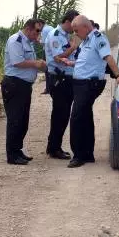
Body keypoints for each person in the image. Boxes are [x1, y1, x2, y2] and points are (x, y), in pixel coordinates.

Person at [68, 15, 119, 168]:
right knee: (85, 117)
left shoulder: (97, 38)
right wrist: (72, 63)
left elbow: (108, 58)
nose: (75, 34)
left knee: (76, 118)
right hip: (80, 84)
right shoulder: (86, 41)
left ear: (86, 27)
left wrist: (118, 75)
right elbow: (88, 60)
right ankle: (87, 154)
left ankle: (78, 155)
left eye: (77, 30)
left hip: (89, 85)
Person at [1, 18, 47, 165]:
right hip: (14, 84)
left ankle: (17, 150)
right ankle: (12, 155)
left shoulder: (28, 42)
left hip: (24, 86)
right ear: (28, 29)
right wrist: (36, 63)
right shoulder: (16, 40)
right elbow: (17, 62)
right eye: (37, 31)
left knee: (23, 120)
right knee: (15, 120)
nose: (38, 34)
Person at [44, 10, 80, 160]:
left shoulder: (65, 36)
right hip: (60, 80)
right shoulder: (55, 35)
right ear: (67, 21)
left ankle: (54, 146)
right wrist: (73, 47)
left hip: (67, 79)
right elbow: (59, 57)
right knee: (60, 114)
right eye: (74, 25)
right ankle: (54, 148)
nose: (75, 29)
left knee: (63, 115)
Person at [38, 19, 54, 95]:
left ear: (40, 24)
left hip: (47, 51)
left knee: (47, 70)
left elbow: (43, 43)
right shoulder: (50, 27)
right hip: (53, 51)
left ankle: (48, 88)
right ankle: (51, 87)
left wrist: (38, 40)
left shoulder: (44, 30)